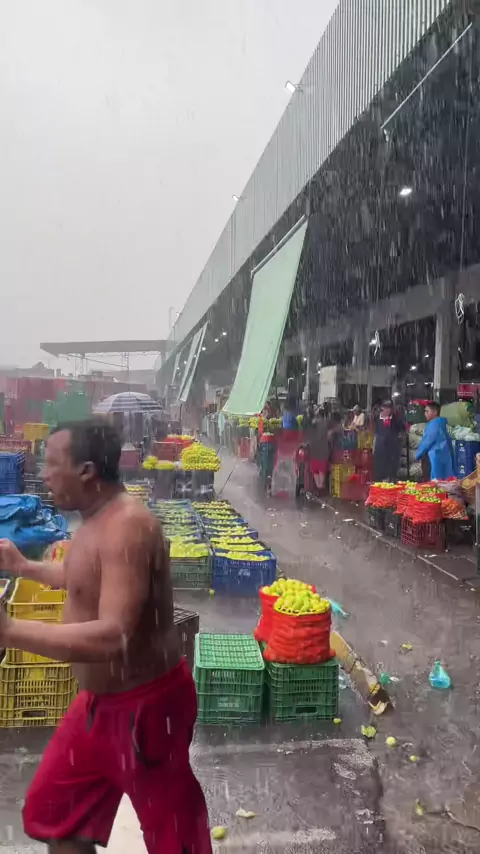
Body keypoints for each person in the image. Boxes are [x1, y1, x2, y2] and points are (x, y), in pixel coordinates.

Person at [0, 420, 211, 854]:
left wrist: (11, 631)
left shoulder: (127, 528)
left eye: (52, 464)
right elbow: (81, 577)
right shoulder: (94, 519)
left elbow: (115, 637)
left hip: (147, 710)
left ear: (87, 471)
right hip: (98, 706)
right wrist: (25, 567)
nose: (43, 474)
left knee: (175, 839)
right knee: (57, 813)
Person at [415, 401, 454, 479]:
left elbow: (427, 442)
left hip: (432, 458)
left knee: (431, 482)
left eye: (427, 411)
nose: (425, 413)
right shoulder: (442, 423)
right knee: (443, 480)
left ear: (435, 412)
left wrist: (418, 455)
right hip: (444, 458)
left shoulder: (433, 425)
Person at [373, 399, 404, 482]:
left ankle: (391, 480)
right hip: (380, 448)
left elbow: (402, 430)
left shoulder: (396, 419)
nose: (388, 410)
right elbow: (374, 433)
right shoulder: (376, 418)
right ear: (382, 408)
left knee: (391, 470)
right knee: (380, 467)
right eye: (386, 408)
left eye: (390, 408)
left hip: (393, 449)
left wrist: (399, 438)